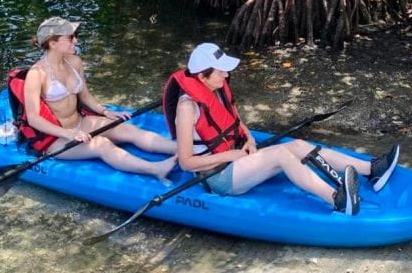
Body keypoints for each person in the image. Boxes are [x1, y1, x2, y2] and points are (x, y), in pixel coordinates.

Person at [166, 42, 400, 215]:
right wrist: (233, 155)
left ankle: (372, 170)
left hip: (237, 158)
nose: (226, 75)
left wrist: (249, 139)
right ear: (202, 76)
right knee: (281, 154)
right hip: (218, 177)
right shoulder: (187, 108)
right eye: (220, 71)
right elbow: (186, 163)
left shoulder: (216, 88)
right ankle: (338, 200)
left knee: (297, 145)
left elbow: (236, 122)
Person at [21, 17, 178, 181]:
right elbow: (33, 119)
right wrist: (68, 133)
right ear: (53, 43)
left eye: (75, 35)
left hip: (80, 123)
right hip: (55, 138)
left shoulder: (74, 61)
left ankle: (185, 151)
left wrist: (105, 112)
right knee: (102, 144)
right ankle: (156, 169)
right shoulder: (37, 74)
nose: (76, 41)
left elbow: (84, 95)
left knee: (127, 130)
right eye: (70, 37)